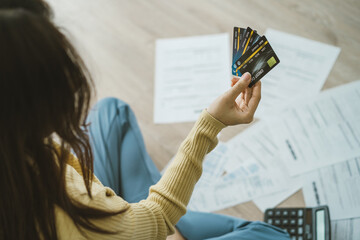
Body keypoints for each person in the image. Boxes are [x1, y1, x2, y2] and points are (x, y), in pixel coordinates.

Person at [0, 3, 290, 240]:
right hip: (98, 226)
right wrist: (211, 123)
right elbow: (159, 218)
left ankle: (142, 212)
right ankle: (146, 216)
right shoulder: (59, 212)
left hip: (103, 217)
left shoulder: (13, 139)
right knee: (269, 234)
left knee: (112, 112)